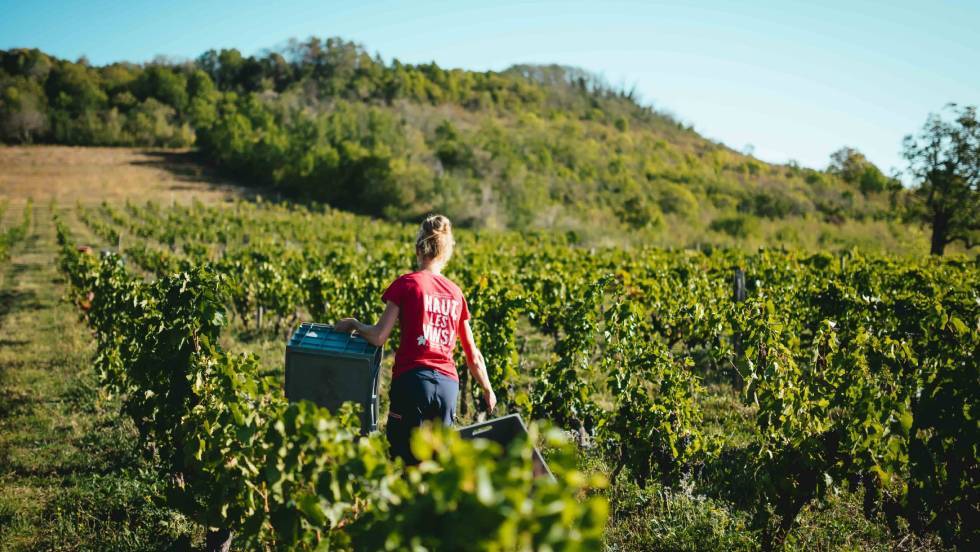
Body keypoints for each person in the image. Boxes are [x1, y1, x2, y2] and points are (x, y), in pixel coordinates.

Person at [334, 214, 496, 463]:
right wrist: (487, 389)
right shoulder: (456, 293)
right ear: (446, 251)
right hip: (447, 387)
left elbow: (378, 336)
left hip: (413, 382)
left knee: (404, 460)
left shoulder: (407, 284)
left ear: (419, 248)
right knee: (438, 462)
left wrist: (354, 324)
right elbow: (472, 354)